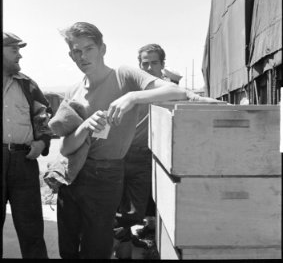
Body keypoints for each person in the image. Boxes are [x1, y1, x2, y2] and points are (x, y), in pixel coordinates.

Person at [55, 22, 188, 259]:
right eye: (76, 51)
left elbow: (177, 92)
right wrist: (85, 127)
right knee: (68, 248)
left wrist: (133, 97)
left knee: (96, 249)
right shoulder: (73, 91)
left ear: (103, 48)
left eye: (89, 48)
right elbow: (66, 148)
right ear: (70, 55)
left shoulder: (124, 76)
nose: (82, 56)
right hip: (72, 176)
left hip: (105, 176)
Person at [114, 43, 225, 259]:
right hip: (123, 152)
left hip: (151, 153)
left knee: (144, 205)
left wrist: (214, 104)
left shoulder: (168, 89)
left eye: (154, 62)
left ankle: (133, 239)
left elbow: (191, 97)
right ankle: (123, 241)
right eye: (144, 63)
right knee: (120, 201)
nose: (148, 67)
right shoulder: (131, 90)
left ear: (163, 65)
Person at [2, 32, 53, 258]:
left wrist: (42, 142)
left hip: (24, 162)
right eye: (14, 50)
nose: (19, 55)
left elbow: (43, 117)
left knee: (31, 228)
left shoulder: (27, 84)